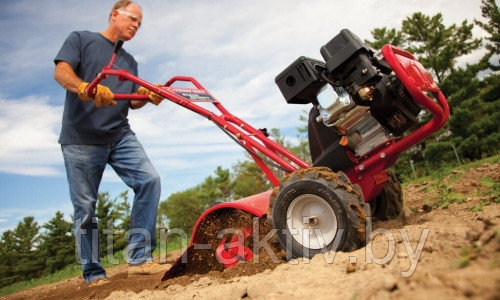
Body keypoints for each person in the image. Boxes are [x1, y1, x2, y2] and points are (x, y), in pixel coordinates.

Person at [53, 0, 168, 286]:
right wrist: (83, 87)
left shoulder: (130, 62)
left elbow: (132, 102)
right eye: (132, 19)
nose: (136, 26)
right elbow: (61, 73)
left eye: (140, 23)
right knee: (86, 208)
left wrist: (147, 96)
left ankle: (140, 258)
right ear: (114, 14)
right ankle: (93, 273)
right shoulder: (81, 39)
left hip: (119, 135)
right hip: (81, 138)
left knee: (149, 180)